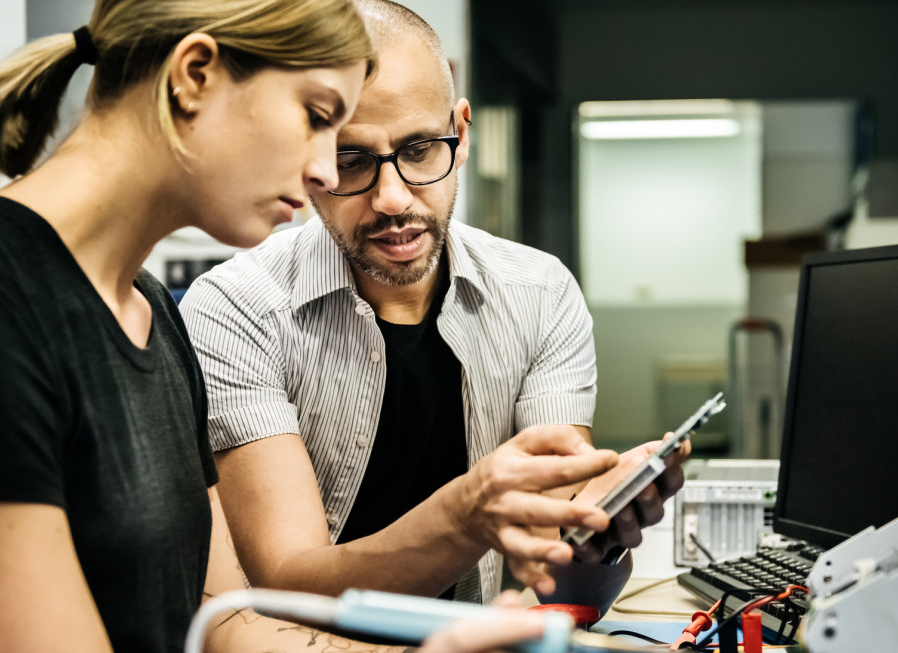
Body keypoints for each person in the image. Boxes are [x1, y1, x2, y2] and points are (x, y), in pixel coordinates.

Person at [0, 2, 611, 653]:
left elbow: (229, 634)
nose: (319, 174)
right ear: (195, 77)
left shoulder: (150, 316)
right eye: (317, 121)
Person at [180, 0, 687, 613]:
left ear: (462, 132)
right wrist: (467, 516)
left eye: (420, 149)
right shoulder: (236, 308)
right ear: (309, 158)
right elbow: (287, 588)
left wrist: (597, 538)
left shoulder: (540, 294)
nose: (392, 199)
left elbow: (555, 563)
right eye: (351, 160)